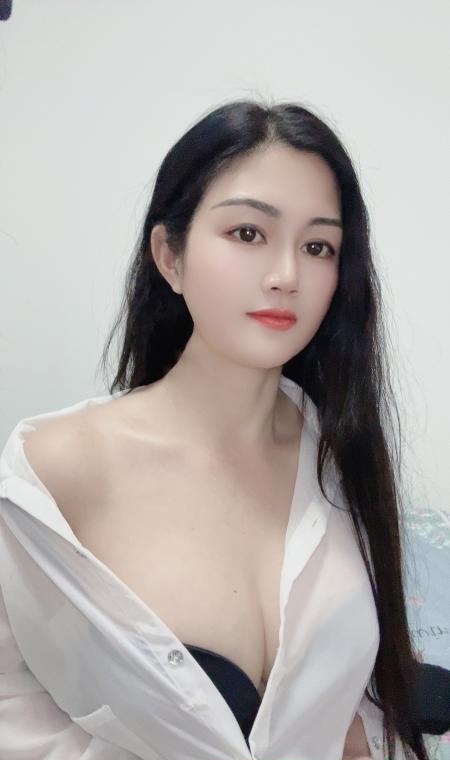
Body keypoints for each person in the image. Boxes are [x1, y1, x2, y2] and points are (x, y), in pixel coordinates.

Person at [0, 98, 431, 760]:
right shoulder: (58, 469)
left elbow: (354, 702)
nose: (286, 276)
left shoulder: (339, 458)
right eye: (248, 233)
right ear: (169, 256)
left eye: (318, 246)